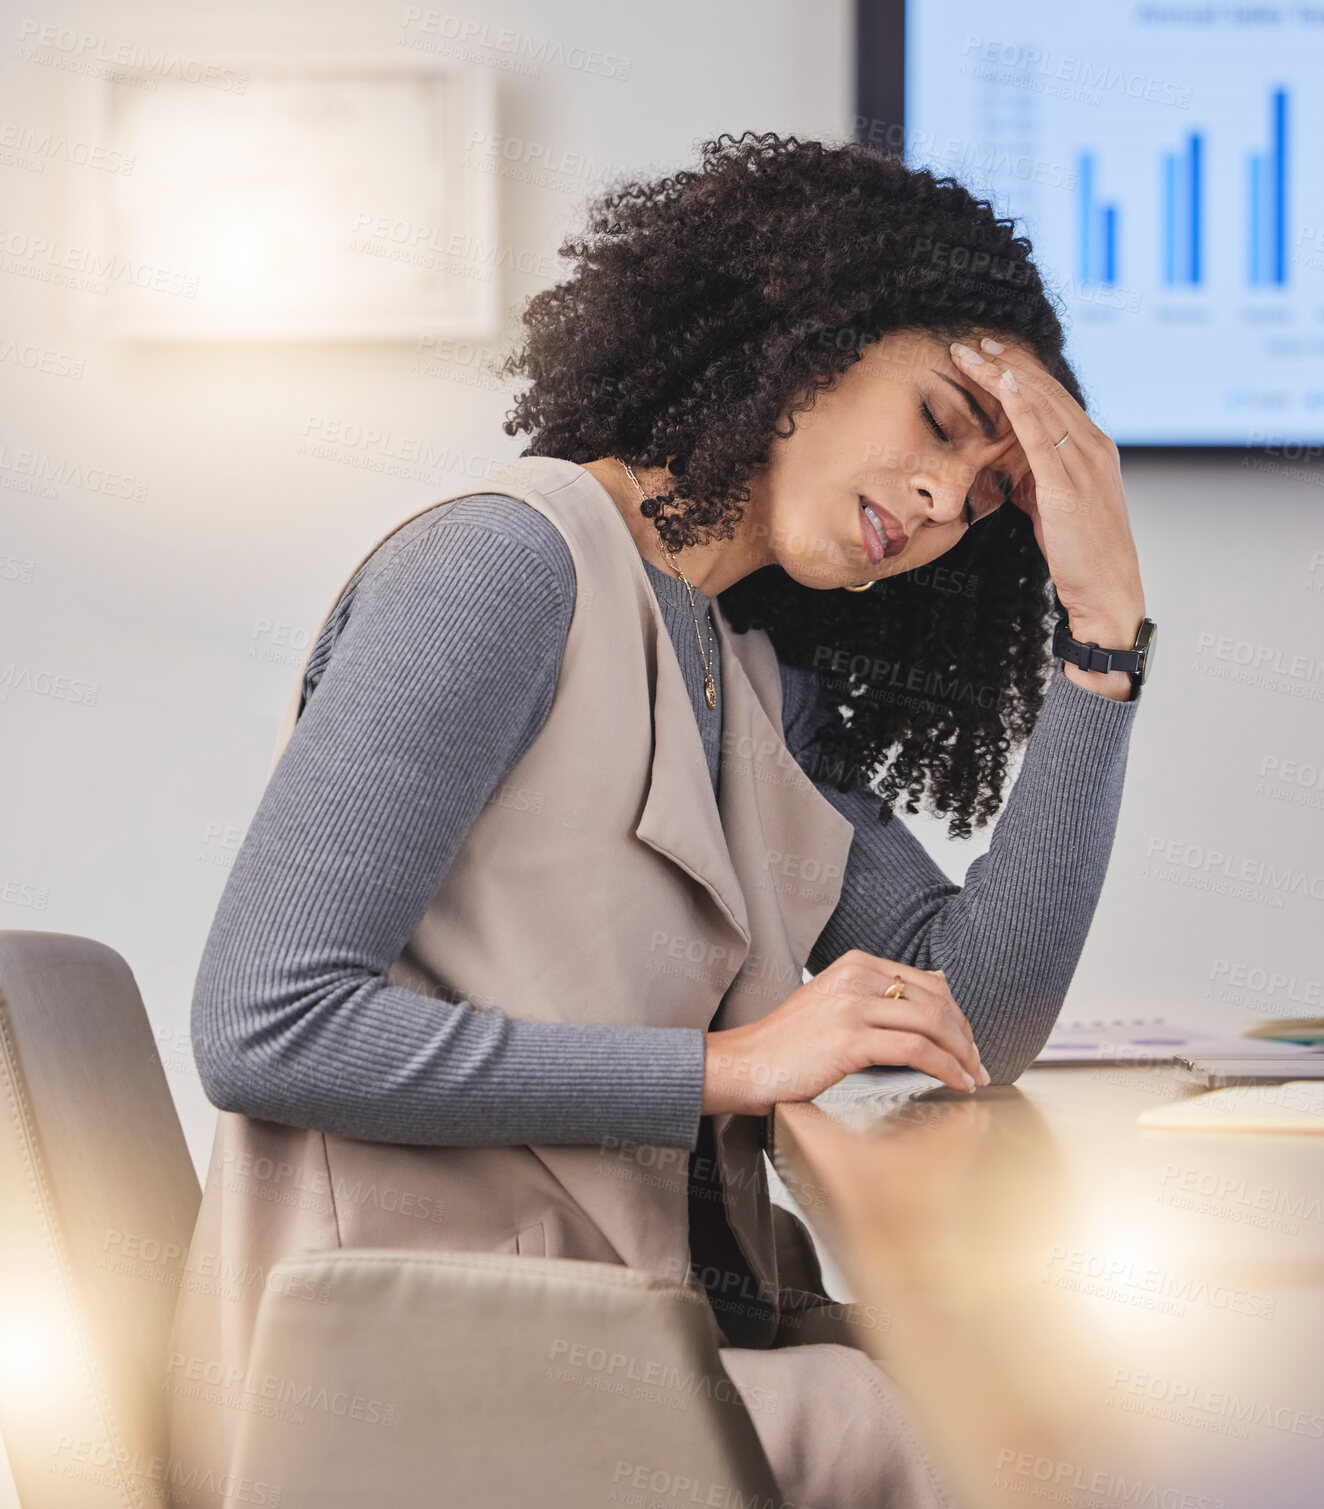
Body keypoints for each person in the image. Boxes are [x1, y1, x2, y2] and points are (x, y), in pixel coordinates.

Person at [170, 132, 1146, 1508]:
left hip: (616, 1336)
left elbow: (970, 1018)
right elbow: (264, 1021)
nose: (941, 505)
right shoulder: (504, 564)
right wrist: (726, 1065)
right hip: (392, 1376)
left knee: (1048, 1408)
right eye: (937, 423)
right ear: (811, 340)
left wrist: (1101, 638)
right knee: (943, 1432)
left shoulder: (743, 665)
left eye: (989, 501)